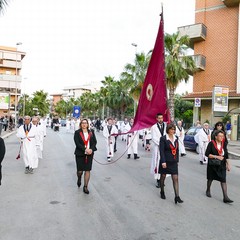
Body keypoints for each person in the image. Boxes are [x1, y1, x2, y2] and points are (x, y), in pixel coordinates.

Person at [205, 130, 233, 203]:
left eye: (223, 136)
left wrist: (228, 164)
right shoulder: (211, 143)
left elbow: (226, 155)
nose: (222, 137)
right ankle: (208, 190)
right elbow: (207, 154)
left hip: (221, 165)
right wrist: (216, 156)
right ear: (216, 137)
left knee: (223, 180)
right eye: (220, 136)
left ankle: (225, 197)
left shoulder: (224, 144)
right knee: (210, 178)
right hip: (213, 165)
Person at [159, 123, 183, 204]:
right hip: (165, 161)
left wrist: (177, 160)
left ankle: (177, 196)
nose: (173, 131)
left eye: (174, 129)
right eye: (171, 129)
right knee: (163, 176)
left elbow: (177, 150)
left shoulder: (176, 138)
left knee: (175, 178)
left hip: (173, 161)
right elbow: (161, 151)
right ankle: (162, 191)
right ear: (168, 130)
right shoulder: (163, 138)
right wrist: (163, 161)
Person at [74, 119, 97, 194]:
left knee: (87, 170)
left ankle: (85, 186)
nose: (84, 124)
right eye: (82, 123)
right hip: (80, 154)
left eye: (85, 123)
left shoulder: (91, 132)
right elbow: (77, 143)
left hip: (89, 154)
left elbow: (94, 142)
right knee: (80, 171)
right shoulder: (77, 133)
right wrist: (85, 149)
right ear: (80, 124)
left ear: (87, 124)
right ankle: (79, 178)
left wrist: (91, 149)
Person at [150, 113, 167, 188]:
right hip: (157, 147)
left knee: (164, 163)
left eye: (162, 118)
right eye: (159, 118)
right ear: (157, 119)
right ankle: (158, 180)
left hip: (165, 148)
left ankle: (162, 180)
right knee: (157, 163)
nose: (161, 119)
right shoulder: (153, 127)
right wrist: (161, 144)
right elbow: (153, 137)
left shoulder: (166, 126)